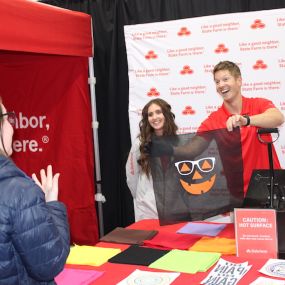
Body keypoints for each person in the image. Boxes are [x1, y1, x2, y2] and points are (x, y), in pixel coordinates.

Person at [152, 61, 285, 195]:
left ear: (239, 80)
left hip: (270, 189)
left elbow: (278, 118)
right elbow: (192, 149)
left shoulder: (258, 104)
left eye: (225, 79)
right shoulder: (214, 120)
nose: (221, 85)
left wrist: (247, 120)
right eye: (217, 82)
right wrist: (169, 149)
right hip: (238, 196)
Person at [0, 98, 70, 284]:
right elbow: (50, 264)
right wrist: (51, 206)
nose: (12, 126)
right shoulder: (20, 193)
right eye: (7, 118)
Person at [126, 98, 178, 221]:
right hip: (147, 208)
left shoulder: (177, 141)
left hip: (173, 206)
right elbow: (131, 174)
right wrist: (142, 197)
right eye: (150, 114)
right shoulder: (140, 143)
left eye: (158, 112)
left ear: (166, 114)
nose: (154, 117)